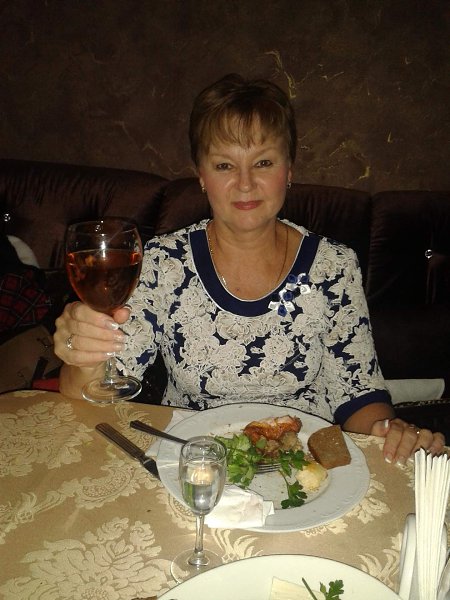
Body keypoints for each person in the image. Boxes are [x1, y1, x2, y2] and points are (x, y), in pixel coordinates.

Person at [54, 73, 445, 465]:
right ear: (202, 175)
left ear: (288, 170)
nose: (245, 183)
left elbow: (358, 394)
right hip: (194, 465)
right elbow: (98, 388)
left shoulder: (333, 266)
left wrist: (388, 432)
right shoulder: (160, 263)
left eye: (263, 162)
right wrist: (80, 354)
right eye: (225, 165)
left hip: (306, 467)